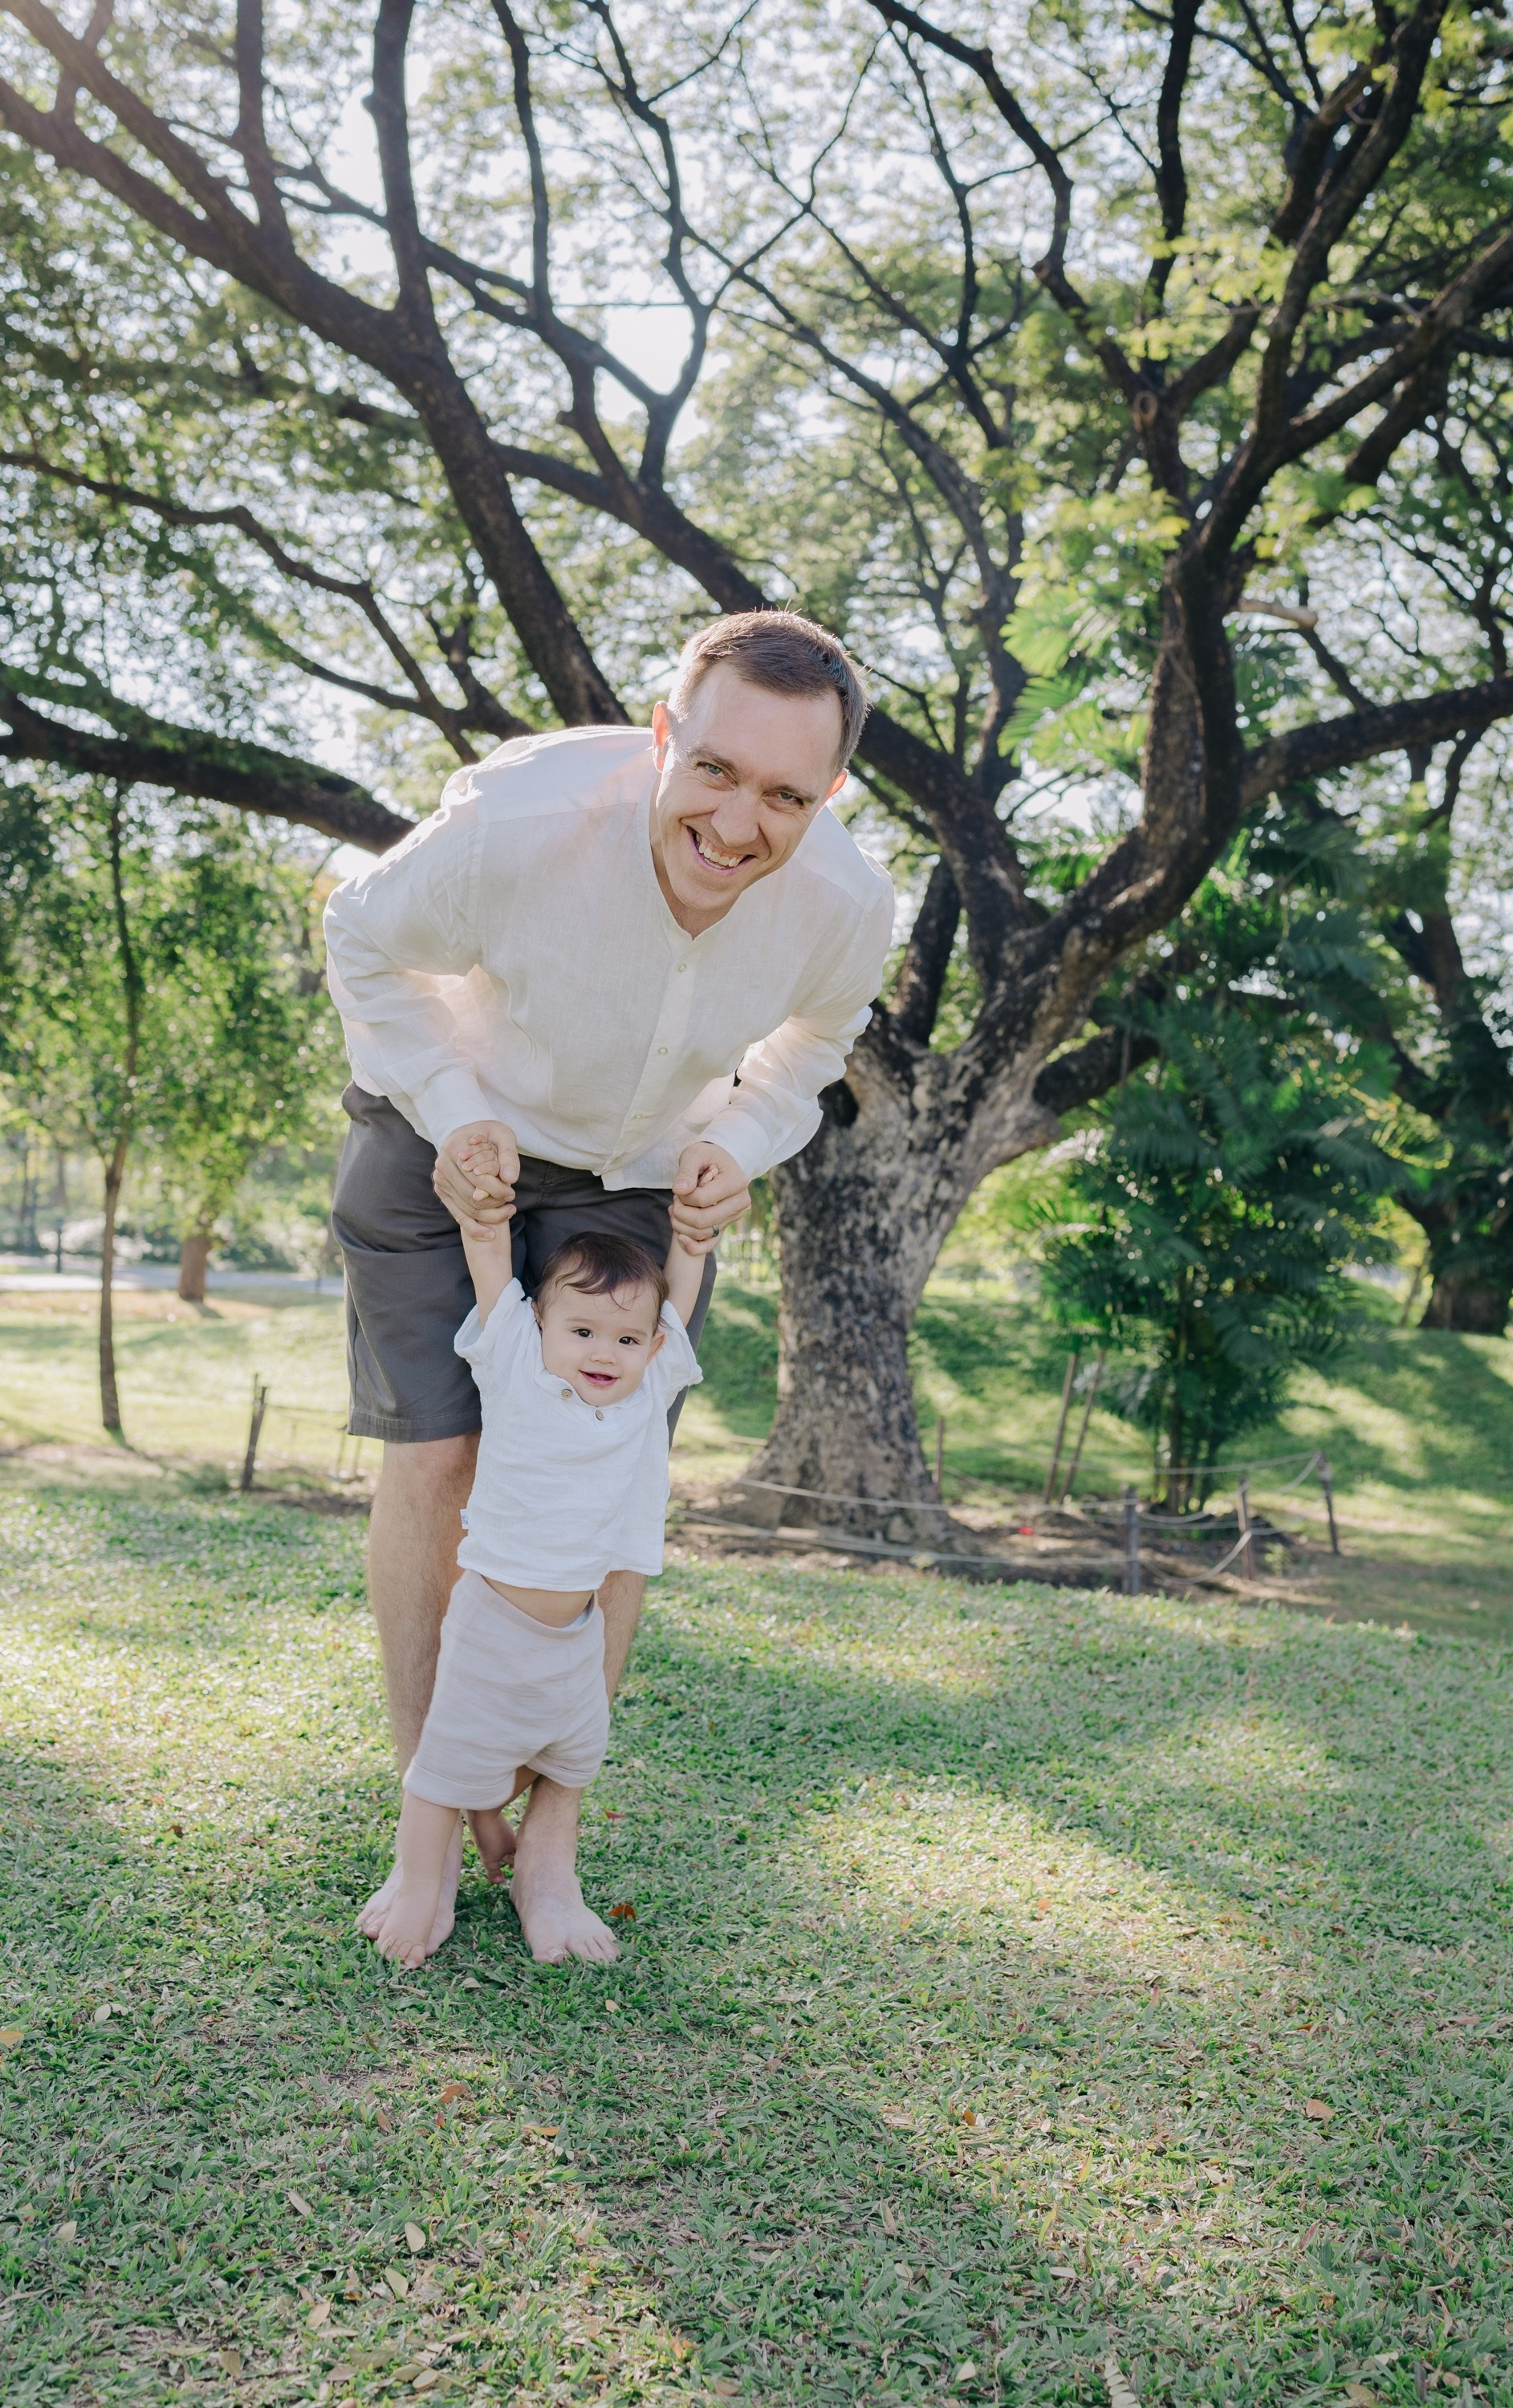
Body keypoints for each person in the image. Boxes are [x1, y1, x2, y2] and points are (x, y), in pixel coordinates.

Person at [323, 611, 894, 1959]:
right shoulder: (517, 822)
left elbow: (815, 1049)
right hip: (437, 1132)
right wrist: (457, 1104)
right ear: (660, 737)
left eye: (785, 795)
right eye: (712, 770)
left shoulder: (849, 906)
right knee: (444, 1462)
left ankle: (552, 1847)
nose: (740, 823)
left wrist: (737, 1140)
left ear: (833, 796)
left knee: (601, 1489)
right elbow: (361, 935)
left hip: (637, 1172)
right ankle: (444, 1819)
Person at [368, 1153, 711, 1968]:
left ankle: (497, 1830)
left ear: (650, 1346)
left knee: (564, 1753)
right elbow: (492, 1267)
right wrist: (481, 1217)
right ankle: (423, 1877)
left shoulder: (644, 1390)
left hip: (577, 1634)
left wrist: (692, 1241)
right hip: (490, 1620)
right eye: (582, 1330)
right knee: (444, 1764)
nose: (602, 1350)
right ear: (542, 1327)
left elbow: (678, 1302)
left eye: (625, 1338)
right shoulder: (519, 1365)